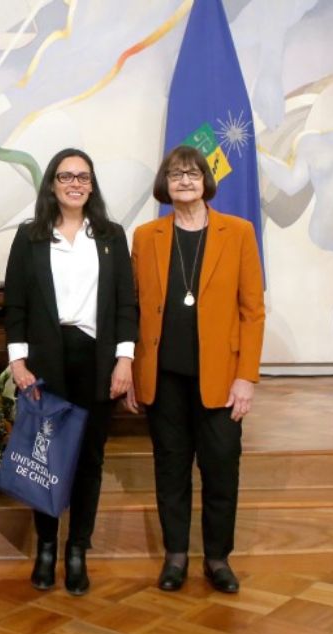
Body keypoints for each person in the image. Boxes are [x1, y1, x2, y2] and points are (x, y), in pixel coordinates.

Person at [126, 145, 264, 594]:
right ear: (164, 185)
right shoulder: (146, 237)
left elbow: (253, 311)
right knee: (171, 470)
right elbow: (133, 307)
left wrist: (246, 376)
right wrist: (127, 363)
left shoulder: (238, 232)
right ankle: (176, 556)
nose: (184, 180)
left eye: (192, 172)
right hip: (163, 378)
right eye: (175, 173)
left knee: (221, 469)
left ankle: (218, 558)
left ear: (206, 180)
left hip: (222, 381)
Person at [4, 148, 138, 596]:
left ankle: (77, 550)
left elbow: (125, 303)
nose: (75, 183)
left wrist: (124, 359)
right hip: (47, 359)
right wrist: (18, 361)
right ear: (52, 184)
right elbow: (17, 304)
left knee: (89, 462)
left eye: (83, 176)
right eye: (66, 176)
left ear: (92, 184)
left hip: (97, 361)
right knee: (46, 456)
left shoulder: (111, 236)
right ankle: (46, 547)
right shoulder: (30, 237)